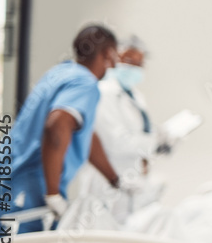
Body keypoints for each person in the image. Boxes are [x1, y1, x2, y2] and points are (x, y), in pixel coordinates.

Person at [0, 24, 123, 243]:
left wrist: (115, 179)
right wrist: (53, 193)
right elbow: (56, 126)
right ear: (108, 54)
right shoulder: (85, 84)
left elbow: (86, 135)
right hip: (23, 188)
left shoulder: (61, 73)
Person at [69, 35, 167, 221]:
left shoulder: (135, 95)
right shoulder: (103, 92)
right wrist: (155, 143)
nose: (134, 68)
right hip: (106, 180)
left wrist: (161, 140)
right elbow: (115, 142)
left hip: (131, 180)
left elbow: (140, 133)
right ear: (115, 58)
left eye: (139, 64)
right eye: (129, 61)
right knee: (103, 235)